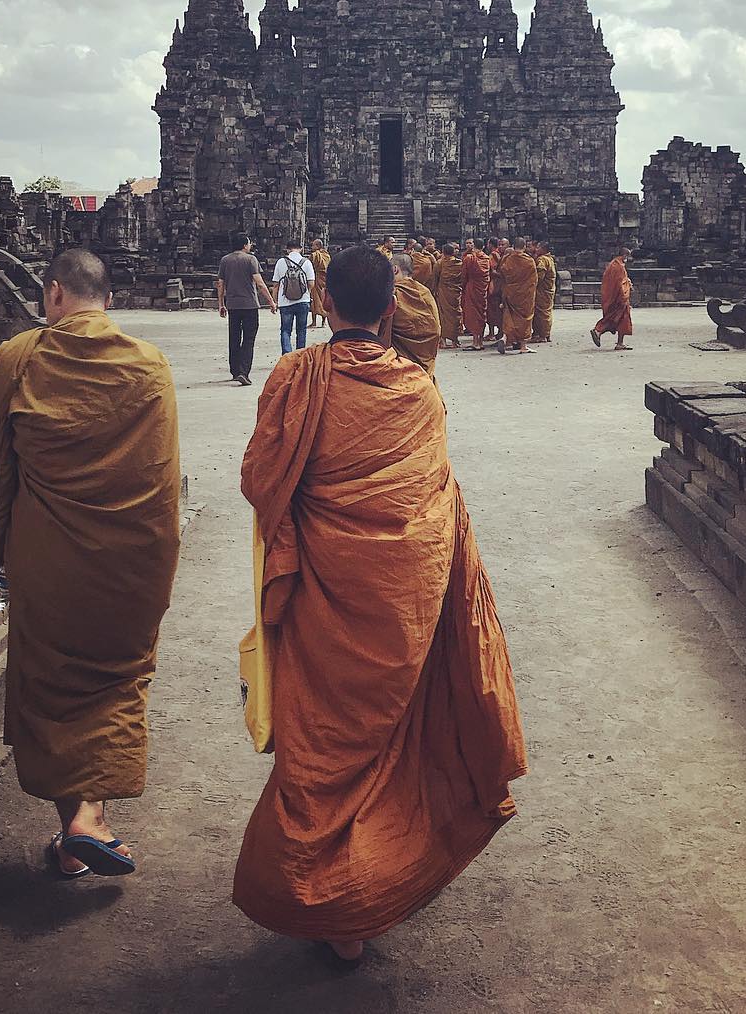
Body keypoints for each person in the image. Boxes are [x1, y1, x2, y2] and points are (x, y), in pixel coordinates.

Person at [233, 244, 526, 962]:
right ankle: (369, 885)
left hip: (320, 602)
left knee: (321, 744)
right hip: (399, 603)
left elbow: (259, 478)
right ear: (391, 310)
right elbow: (433, 508)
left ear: (324, 303)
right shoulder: (418, 392)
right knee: (388, 743)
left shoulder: (293, 378)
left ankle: (331, 896)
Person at [0, 248, 181, 879]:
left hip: (47, 564)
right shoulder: (150, 366)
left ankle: (76, 825)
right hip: (132, 566)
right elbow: (164, 480)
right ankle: (91, 818)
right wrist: (159, 566)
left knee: (53, 685)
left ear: (55, 294)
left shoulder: (16, 360)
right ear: (107, 301)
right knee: (115, 681)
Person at [217, 235, 277, 386]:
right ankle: (244, 372)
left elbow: (220, 284)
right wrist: (271, 302)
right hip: (250, 305)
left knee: (234, 338)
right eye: (249, 243)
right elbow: (260, 283)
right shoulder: (250, 259)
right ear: (245, 245)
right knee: (249, 339)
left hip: (232, 304)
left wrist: (221, 304)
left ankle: (235, 371)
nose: (250, 246)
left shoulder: (225, 260)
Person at [381, 252, 441, 379]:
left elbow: (381, 328)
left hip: (401, 363)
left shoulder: (394, 294)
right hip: (425, 358)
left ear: (394, 269)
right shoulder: (425, 292)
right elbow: (435, 328)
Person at [271, 241, 315, 354]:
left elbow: (275, 284)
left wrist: (274, 301)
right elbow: (311, 283)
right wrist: (307, 293)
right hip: (303, 301)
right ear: (300, 249)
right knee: (301, 330)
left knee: (285, 330)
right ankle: (300, 355)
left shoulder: (281, 262)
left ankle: (287, 355)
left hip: (285, 302)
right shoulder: (307, 262)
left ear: (287, 249)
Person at [495, 239, 537, 355]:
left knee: (509, 316)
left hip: (510, 293)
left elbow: (502, 273)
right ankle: (523, 346)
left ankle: (504, 338)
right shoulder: (529, 261)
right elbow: (534, 279)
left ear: (513, 246)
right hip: (525, 294)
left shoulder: (508, 259)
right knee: (525, 318)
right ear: (524, 247)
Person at [591, 247, 634, 351]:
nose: (628, 259)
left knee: (620, 320)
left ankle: (620, 343)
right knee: (614, 319)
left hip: (612, 296)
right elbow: (620, 284)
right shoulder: (618, 266)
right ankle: (598, 330)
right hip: (619, 298)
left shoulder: (613, 264)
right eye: (627, 256)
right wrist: (627, 288)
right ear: (624, 255)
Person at [432, 242, 464, 349]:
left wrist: (434, 290)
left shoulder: (439, 263)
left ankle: (443, 341)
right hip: (455, 293)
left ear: (443, 252)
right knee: (456, 315)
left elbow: (435, 279)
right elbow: (462, 278)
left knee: (443, 316)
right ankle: (455, 340)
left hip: (443, 292)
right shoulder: (459, 264)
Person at [461, 240, 491, 350]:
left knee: (473, 314)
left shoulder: (469, 258)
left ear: (474, 247)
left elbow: (464, 275)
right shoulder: (487, 259)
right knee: (481, 313)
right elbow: (488, 274)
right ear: (483, 247)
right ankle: (481, 342)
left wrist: (463, 286)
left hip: (472, 286)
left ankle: (475, 342)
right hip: (482, 288)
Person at [532, 241, 557, 344]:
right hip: (549, 290)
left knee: (542, 313)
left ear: (543, 249)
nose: (535, 249)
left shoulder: (542, 260)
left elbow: (539, 277)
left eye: (538, 247)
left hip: (542, 290)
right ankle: (545, 334)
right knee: (546, 312)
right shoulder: (550, 259)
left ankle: (542, 335)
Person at [308, 239, 331, 330]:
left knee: (314, 299)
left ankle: (314, 322)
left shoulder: (314, 255)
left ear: (318, 246)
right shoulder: (327, 256)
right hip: (325, 280)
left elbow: (310, 265)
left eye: (313, 245)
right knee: (322, 298)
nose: (312, 247)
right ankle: (323, 322)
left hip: (316, 278)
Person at [486, 237, 504, 341]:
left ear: (490, 245)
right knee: (497, 310)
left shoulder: (493, 255)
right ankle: (500, 331)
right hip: (499, 285)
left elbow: (492, 270)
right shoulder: (501, 255)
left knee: (492, 310)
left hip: (494, 284)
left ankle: (492, 333)